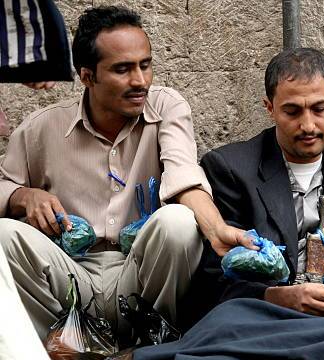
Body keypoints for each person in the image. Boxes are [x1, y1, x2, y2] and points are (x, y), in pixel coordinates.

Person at [0, 5, 253, 341]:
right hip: (71, 274)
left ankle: (152, 348)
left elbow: (183, 177)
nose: (140, 81)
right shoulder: (39, 129)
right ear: (87, 76)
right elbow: (5, 186)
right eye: (123, 69)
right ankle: (62, 353)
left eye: (145, 65)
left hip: (140, 270)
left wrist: (218, 230)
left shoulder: (166, 107)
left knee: (177, 222)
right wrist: (23, 196)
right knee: (4, 234)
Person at [196, 47, 324, 319]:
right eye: (292, 112)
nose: (308, 125)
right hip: (267, 321)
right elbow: (216, 278)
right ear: (269, 108)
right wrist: (279, 298)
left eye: (319, 109)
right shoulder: (231, 170)